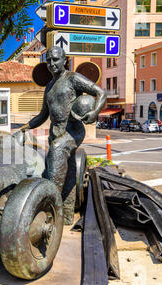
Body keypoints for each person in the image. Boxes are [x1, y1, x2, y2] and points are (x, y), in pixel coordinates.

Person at [19, 46, 106, 192]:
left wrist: (95, 112)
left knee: (56, 157)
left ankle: (50, 201)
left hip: (73, 131)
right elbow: (42, 116)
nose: (52, 64)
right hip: (56, 133)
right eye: (48, 61)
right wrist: (23, 128)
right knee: (68, 175)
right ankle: (65, 212)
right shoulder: (49, 87)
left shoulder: (72, 78)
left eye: (55, 59)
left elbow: (100, 92)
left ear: (64, 60)